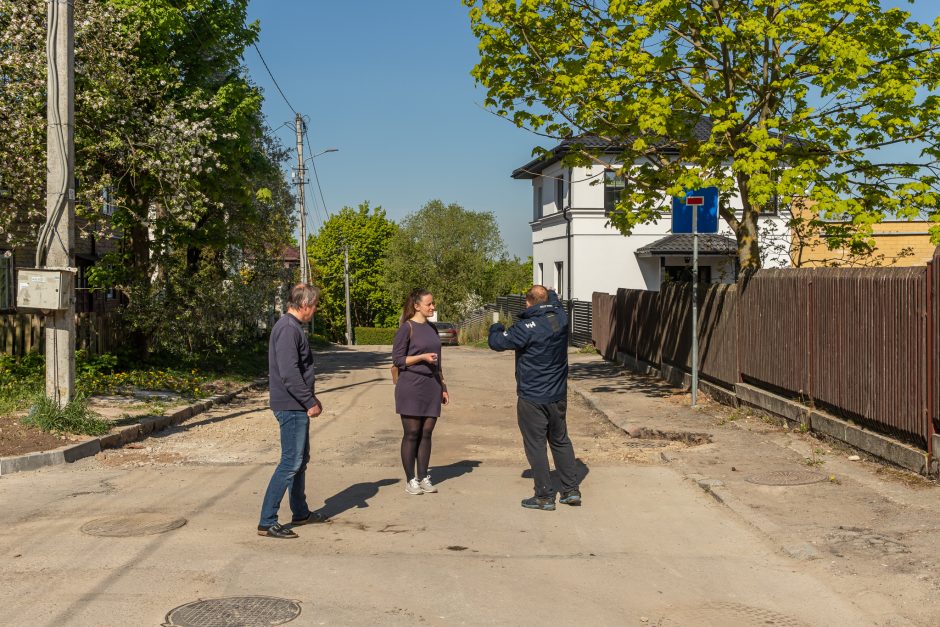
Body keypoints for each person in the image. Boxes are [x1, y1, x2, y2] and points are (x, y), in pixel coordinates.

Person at [488, 285, 581, 511]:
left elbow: (497, 343)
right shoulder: (560, 317)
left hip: (532, 396)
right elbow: (555, 303)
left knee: (536, 445)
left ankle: (544, 496)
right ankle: (570, 490)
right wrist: (551, 296)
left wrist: (496, 327)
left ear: (528, 302)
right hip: (557, 395)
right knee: (560, 440)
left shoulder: (525, 328)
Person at [258, 284, 328, 539]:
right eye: (315, 305)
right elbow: (289, 373)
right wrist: (309, 401)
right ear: (305, 305)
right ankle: (267, 521)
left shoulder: (290, 327)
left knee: (300, 460)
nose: (315, 311)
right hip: (291, 405)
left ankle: (300, 511)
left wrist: (310, 398)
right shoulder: (288, 329)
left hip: (295, 403)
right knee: (290, 462)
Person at [392, 288, 450, 495]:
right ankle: (411, 480)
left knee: (427, 433)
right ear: (417, 306)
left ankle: (423, 476)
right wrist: (422, 357)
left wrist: (443, 386)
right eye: (429, 304)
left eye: (433, 303)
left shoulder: (432, 329)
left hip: (431, 386)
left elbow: (439, 361)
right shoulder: (406, 328)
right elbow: (398, 360)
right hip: (411, 386)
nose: (433, 307)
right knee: (412, 433)